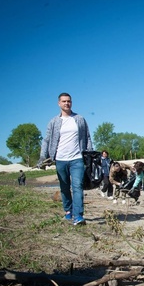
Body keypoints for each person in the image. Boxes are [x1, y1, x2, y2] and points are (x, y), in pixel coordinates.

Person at [38, 92, 93, 226]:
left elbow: (88, 137)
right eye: (64, 101)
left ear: (71, 103)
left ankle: (79, 216)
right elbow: (46, 140)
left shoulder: (79, 119)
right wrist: (42, 157)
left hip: (77, 158)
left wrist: (89, 155)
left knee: (77, 186)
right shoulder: (54, 122)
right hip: (60, 159)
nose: (66, 103)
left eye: (69, 101)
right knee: (64, 187)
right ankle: (68, 211)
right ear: (59, 103)